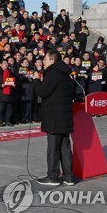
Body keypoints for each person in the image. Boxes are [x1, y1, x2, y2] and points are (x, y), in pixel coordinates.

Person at [33, 50, 74, 186]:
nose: (43, 62)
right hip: (64, 115)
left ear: (52, 61)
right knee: (65, 146)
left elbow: (43, 91)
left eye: (45, 59)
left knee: (53, 147)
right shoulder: (65, 74)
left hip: (54, 116)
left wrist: (36, 80)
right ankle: (68, 176)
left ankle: (53, 176)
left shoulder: (53, 74)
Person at [0, 59, 16, 126]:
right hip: (1, 93)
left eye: (6, 63)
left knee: (9, 109)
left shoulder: (11, 72)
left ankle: (8, 121)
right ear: (1, 64)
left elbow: (14, 82)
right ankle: (0, 121)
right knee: (1, 109)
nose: (6, 64)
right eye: (4, 63)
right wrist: (1, 85)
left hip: (10, 93)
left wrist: (14, 85)